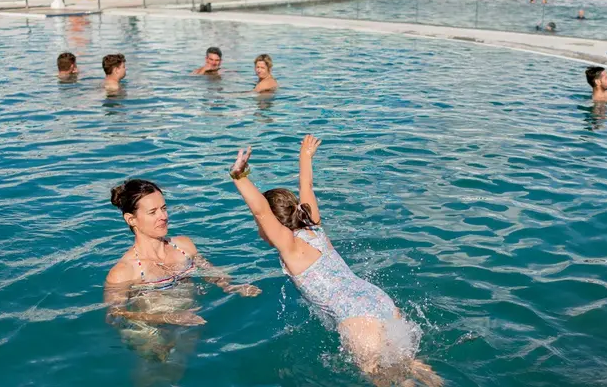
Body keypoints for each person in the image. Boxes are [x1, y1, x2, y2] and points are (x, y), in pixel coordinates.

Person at [228, 136, 442, 385]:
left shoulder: (290, 247)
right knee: (410, 365)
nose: (259, 229)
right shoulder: (313, 226)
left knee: (384, 378)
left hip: (356, 317)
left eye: (260, 226)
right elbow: (306, 184)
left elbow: (260, 210)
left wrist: (240, 178)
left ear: (275, 225)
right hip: (377, 298)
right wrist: (305, 155)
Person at [104, 179, 260, 331]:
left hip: (191, 319)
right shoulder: (123, 272)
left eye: (164, 208)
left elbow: (209, 271)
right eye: (153, 212)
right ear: (131, 219)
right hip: (151, 332)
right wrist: (166, 318)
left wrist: (230, 286)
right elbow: (115, 315)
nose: (163, 216)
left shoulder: (184, 246)